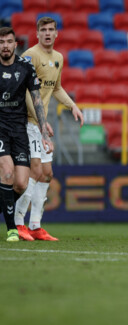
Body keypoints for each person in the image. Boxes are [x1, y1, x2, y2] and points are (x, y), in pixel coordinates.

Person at [14, 17, 84, 242]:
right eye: (43, 30)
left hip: (39, 123)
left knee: (47, 173)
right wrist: (40, 120)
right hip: (25, 121)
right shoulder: (29, 56)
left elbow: (57, 87)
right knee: (35, 170)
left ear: (57, 34)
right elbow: (24, 92)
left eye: (51, 30)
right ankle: (18, 224)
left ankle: (35, 226)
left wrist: (72, 105)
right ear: (36, 34)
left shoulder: (58, 58)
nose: (47, 33)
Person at [0, 27, 54, 242]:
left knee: (21, 184)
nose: (5, 46)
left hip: (19, 129)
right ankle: (12, 228)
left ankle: (6, 209)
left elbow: (37, 101)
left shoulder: (25, 67)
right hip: (0, 129)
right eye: (1, 42)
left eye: (8, 42)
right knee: (6, 171)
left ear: (15, 44)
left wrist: (44, 133)